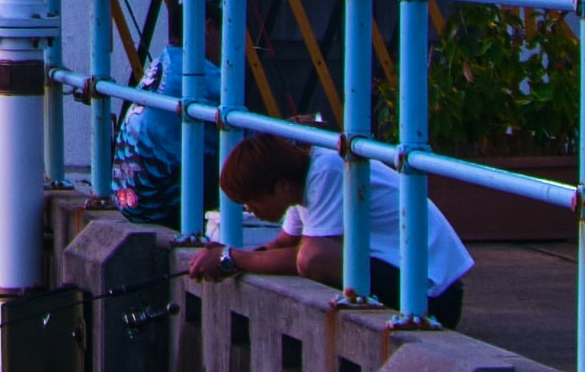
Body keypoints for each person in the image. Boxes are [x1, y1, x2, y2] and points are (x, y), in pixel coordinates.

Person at [181, 120, 475, 321]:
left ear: (281, 186)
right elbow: (284, 243)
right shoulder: (301, 180)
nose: (249, 209)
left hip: (433, 294)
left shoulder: (329, 171)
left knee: (314, 259)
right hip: (408, 275)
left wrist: (232, 258)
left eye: (252, 200)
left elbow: (310, 258)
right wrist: (227, 255)